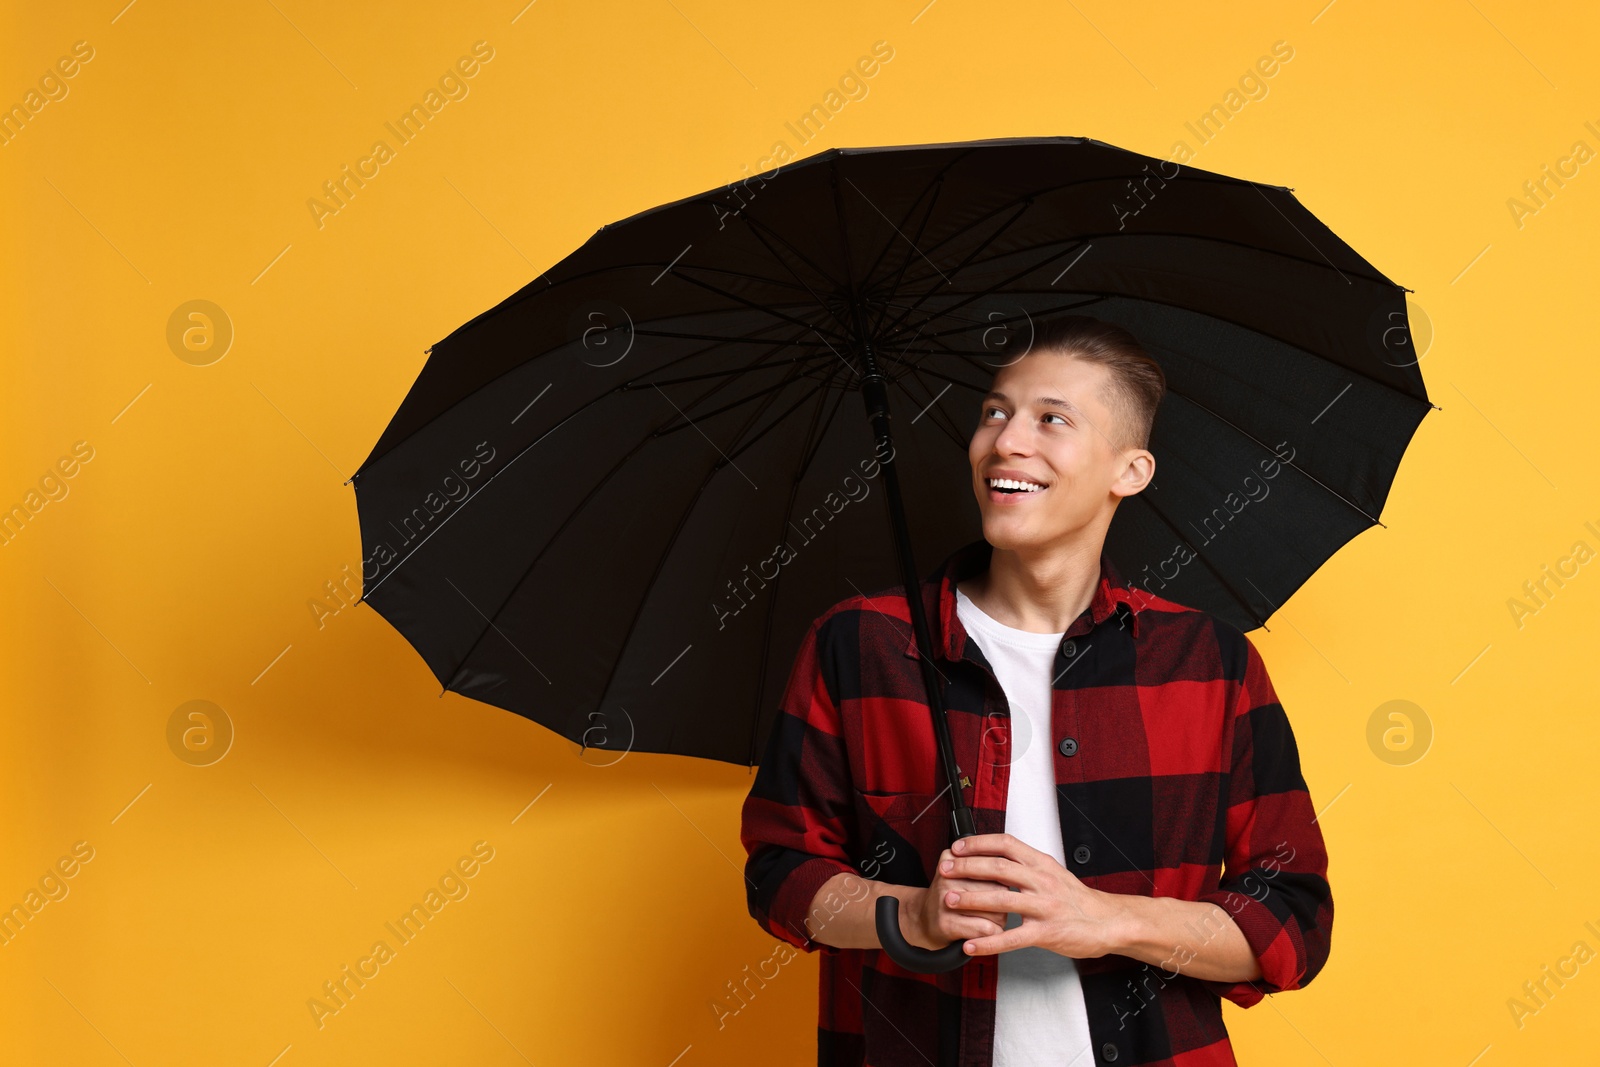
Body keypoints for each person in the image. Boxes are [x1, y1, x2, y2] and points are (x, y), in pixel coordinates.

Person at [739, 315, 1333, 1067]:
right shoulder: (859, 644)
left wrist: (1105, 919)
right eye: (995, 412)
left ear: (1131, 471)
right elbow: (782, 873)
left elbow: (1292, 921)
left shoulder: (1210, 663)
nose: (1005, 441)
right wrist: (913, 914)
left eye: (1051, 419)